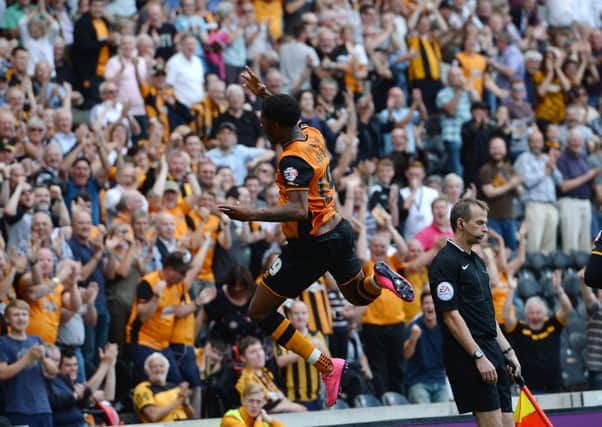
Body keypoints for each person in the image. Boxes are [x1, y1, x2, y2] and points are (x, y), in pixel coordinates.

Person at [218, 67, 415, 407]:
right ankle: (378, 275)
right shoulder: (311, 134)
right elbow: (291, 114)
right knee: (358, 296)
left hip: (312, 245)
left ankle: (326, 365)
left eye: (265, 122)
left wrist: (252, 213)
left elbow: (297, 210)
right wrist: (264, 93)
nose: (262, 126)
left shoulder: (292, 158)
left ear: (277, 126)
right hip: (337, 230)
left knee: (260, 311)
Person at [429, 199, 520, 427]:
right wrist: (478, 356)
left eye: (486, 223)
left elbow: (487, 313)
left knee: (509, 423)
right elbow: (450, 316)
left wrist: (507, 350)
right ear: (461, 223)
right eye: (479, 223)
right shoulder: (445, 261)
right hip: (470, 354)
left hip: (493, 350)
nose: (485, 228)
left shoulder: (477, 261)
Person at [503, 270, 572, 393]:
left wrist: (558, 288)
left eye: (538, 312)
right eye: (531, 313)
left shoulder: (553, 324)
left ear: (545, 313)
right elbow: (506, 315)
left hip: (554, 384)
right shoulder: (519, 328)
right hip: (530, 387)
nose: (535, 316)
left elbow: (567, 309)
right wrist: (511, 290)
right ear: (526, 314)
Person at [0, 299, 57, 427]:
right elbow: (2, 374)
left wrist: (43, 359)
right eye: (16, 315)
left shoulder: (36, 340)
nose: (21, 318)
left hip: (43, 408)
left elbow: (53, 372)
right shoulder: (2, 343)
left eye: (24, 314)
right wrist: (27, 358)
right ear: (7, 319)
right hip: (17, 409)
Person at [275, 300, 328, 410]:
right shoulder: (283, 336)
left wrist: (321, 348)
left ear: (308, 316)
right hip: (292, 399)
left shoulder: (316, 335)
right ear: (289, 315)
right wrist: (307, 348)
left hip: (316, 397)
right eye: (296, 313)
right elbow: (280, 361)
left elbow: (328, 363)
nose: (300, 317)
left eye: (303, 313)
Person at [403, 291, 448, 404]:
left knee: (445, 417)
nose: (430, 306)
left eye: (433, 303)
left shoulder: (444, 327)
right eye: (426, 303)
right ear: (422, 307)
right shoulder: (413, 327)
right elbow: (406, 355)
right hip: (418, 382)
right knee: (423, 412)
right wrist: (413, 339)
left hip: (440, 380)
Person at [132, 352, 195, 423]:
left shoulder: (175, 387)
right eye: (154, 367)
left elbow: (191, 415)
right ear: (147, 371)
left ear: (166, 369)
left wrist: (185, 402)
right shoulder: (143, 388)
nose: (158, 370)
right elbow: (153, 416)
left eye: (161, 366)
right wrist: (179, 401)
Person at [221, 383, 285, 427]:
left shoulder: (263, 419)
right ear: (242, 400)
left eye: (258, 402)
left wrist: (270, 420)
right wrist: (259, 420)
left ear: (263, 403)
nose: (254, 405)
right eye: (251, 401)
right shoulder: (231, 418)